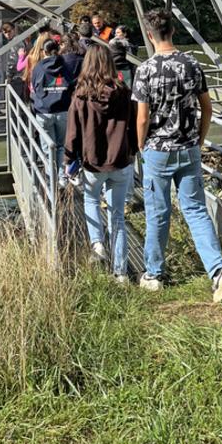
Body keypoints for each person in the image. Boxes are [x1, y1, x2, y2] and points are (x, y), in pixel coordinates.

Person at [132, 8, 222, 302]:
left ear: (150, 35)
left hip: (158, 151)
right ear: (173, 31)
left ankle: (153, 274)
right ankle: (219, 273)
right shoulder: (192, 64)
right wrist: (199, 139)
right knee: (196, 211)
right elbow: (207, 107)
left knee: (158, 212)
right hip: (188, 148)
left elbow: (142, 118)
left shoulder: (146, 70)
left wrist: (141, 145)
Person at [66, 46, 137, 283]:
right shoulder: (124, 92)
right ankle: (121, 273)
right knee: (117, 217)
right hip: (120, 161)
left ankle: (97, 244)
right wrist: (133, 151)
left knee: (92, 200)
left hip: (93, 163)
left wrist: (69, 160)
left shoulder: (81, 95)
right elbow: (133, 124)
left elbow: (73, 133)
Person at [31, 39, 74, 185]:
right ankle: (62, 178)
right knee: (62, 146)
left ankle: (52, 179)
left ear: (44, 52)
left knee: (48, 148)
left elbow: (34, 87)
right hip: (63, 110)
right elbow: (72, 85)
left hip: (44, 112)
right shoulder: (65, 65)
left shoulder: (38, 67)